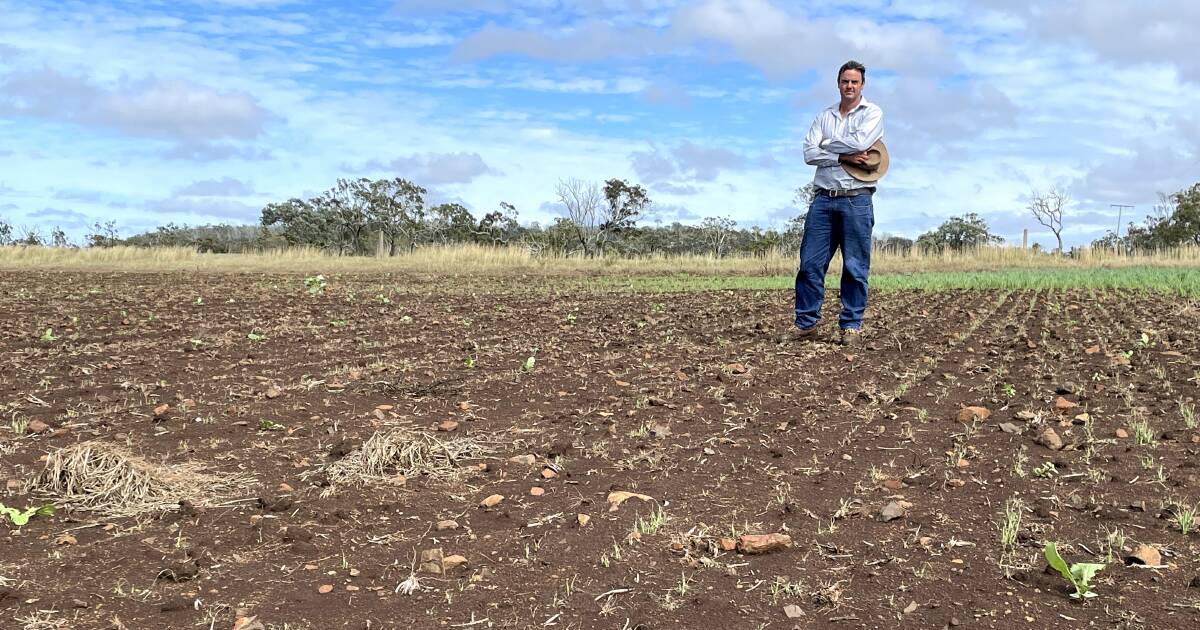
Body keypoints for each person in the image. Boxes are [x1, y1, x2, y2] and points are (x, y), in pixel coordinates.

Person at [794, 59, 885, 346]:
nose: (849, 86)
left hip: (856, 200)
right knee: (810, 264)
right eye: (845, 81)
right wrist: (842, 156)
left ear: (862, 85)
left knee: (855, 267)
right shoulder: (824, 115)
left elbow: (860, 143)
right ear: (838, 83)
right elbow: (809, 153)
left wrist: (828, 146)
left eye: (854, 82)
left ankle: (851, 326)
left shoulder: (873, 113)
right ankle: (806, 325)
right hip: (823, 200)